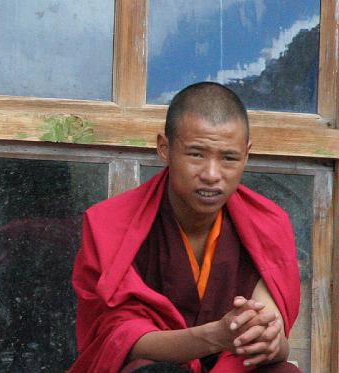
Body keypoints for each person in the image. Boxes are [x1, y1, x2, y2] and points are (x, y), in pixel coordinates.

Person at [69, 82, 301, 373]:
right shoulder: (110, 225)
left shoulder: (268, 225)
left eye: (229, 158)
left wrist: (268, 341)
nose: (211, 174)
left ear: (247, 154)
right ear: (164, 148)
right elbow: (118, 340)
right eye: (196, 154)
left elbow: (272, 337)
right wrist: (214, 336)